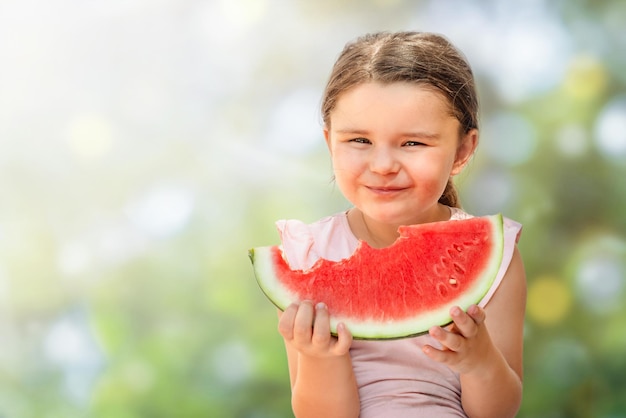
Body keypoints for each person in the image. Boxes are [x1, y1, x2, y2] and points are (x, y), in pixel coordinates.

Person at [274, 31, 526, 418]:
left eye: (413, 144)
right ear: (329, 142)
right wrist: (318, 356)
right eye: (359, 140)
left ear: (462, 150)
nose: (383, 165)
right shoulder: (306, 256)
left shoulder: (498, 254)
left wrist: (480, 362)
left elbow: (496, 413)